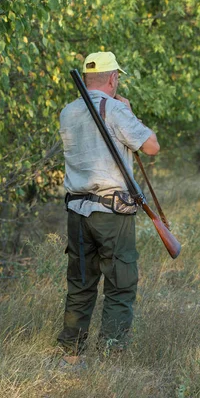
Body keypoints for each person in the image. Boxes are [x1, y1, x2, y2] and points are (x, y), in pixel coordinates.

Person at [57, 51, 160, 361]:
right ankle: (110, 357)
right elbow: (152, 147)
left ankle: (70, 354)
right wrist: (130, 113)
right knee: (120, 284)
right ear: (114, 78)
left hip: (76, 211)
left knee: (80, 283)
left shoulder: (67, 112)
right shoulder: (116, 109)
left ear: (87, 79)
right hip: (111, 213)